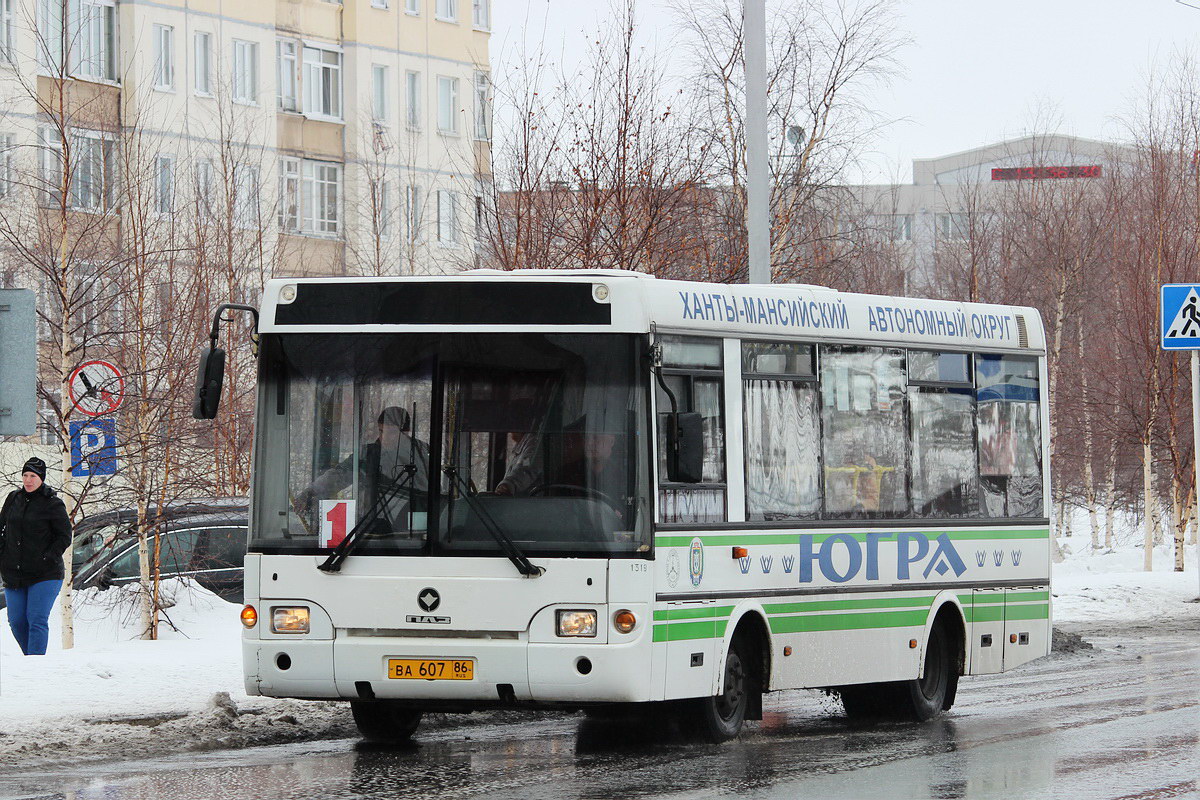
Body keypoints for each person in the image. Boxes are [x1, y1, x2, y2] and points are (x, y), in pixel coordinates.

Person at [298, 407, 431, 531]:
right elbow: (338, 475)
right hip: (369, 530)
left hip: (410, 529)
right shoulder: (367, 455)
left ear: (405, 432)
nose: (383, 438)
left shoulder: (422, 453)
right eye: (381, 431)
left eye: (391, 433)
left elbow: (429, 491)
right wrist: (310, 493)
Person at [0, 457, 71, 656]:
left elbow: (64, 536)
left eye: (33, 476)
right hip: (14, 572)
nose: (28, 480)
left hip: (45, 573)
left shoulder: (52, 503)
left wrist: (47, 557)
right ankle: (31, 660)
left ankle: (36, 665)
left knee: (36, 619)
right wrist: (3, 556)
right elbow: (1, 528)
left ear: (41, 478)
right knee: (16, 621)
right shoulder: (13, 499)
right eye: (25, 475)